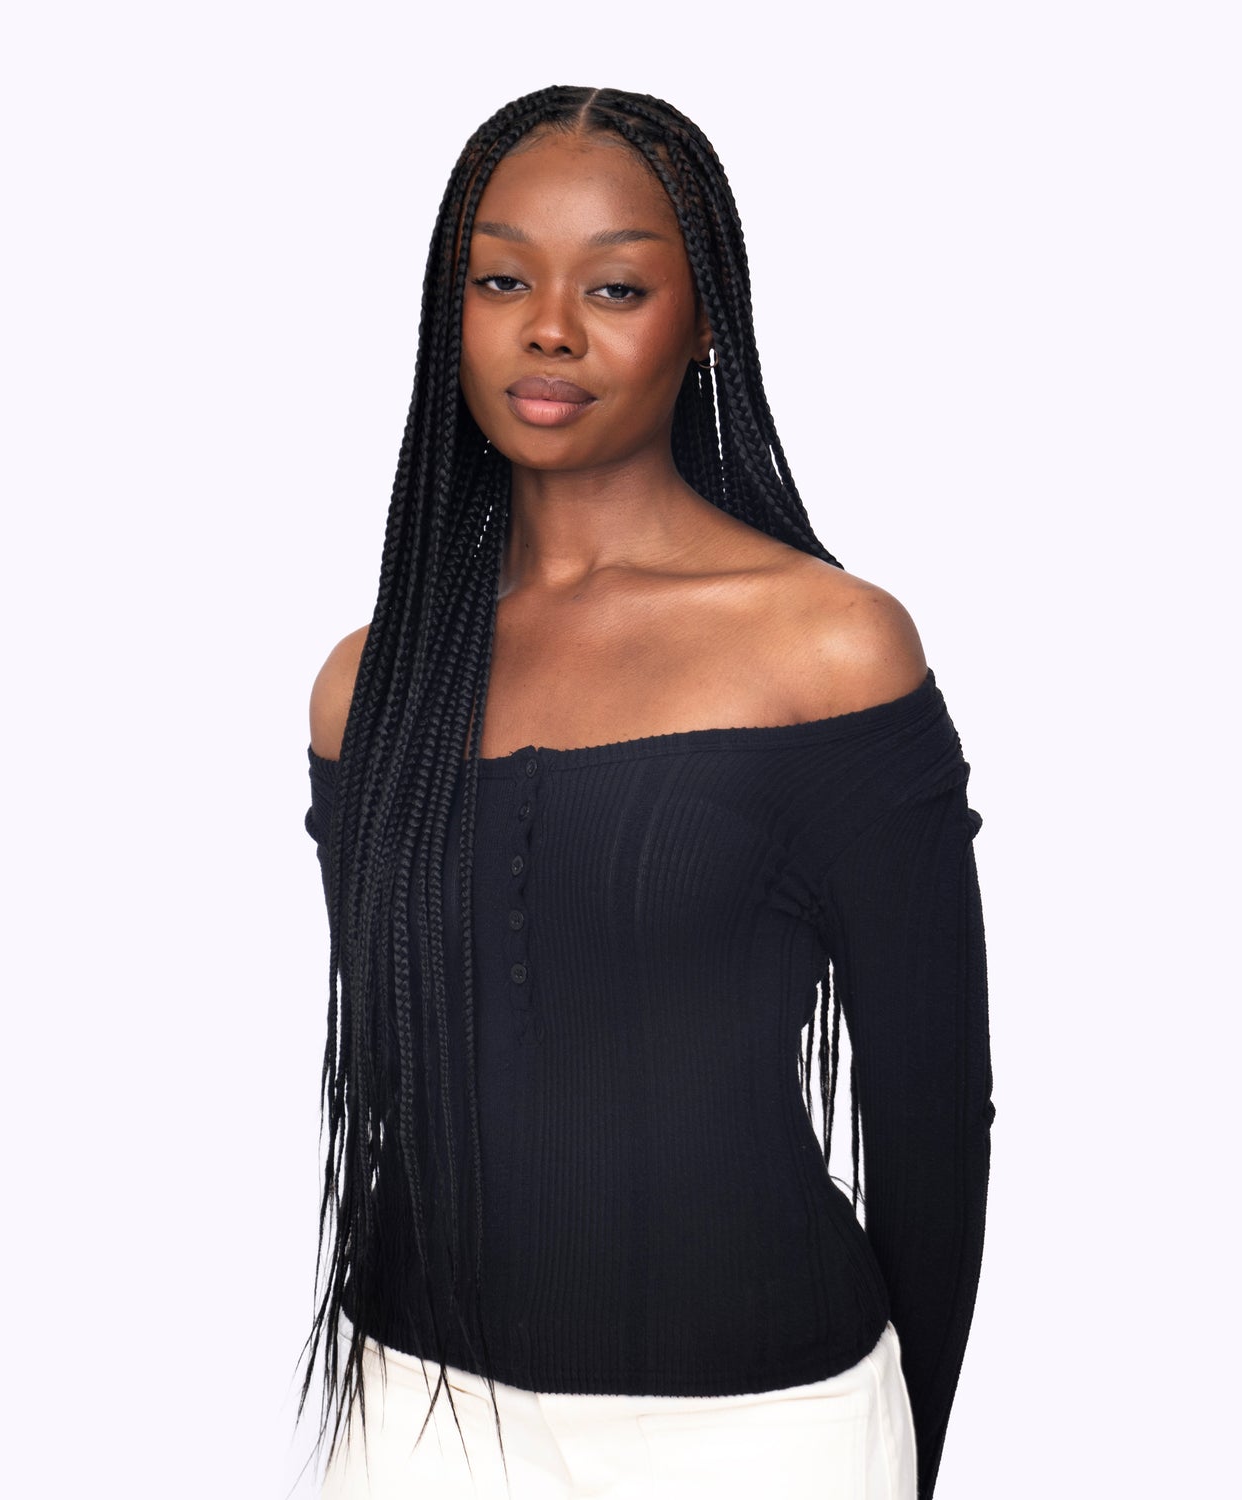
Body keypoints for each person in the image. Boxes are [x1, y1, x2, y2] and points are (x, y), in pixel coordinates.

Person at [298, 85, 994, 1500]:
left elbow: (932, 1112)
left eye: (614, 286)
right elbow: (404, 1074)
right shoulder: (371, 684)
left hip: (763, 1430)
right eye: (501, 280)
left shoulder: (829, 649)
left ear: (706, 320)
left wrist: (908, 1452)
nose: (550, 328)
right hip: (413, 1411)